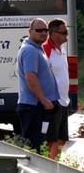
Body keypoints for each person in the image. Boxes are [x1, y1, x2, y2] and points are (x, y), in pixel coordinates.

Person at [17, 18, 60, 152]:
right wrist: (43, 100)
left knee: (40, 142)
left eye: (45, 30)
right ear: (30, 31)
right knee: (33, 145)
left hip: (39, 106)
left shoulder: (37, 48)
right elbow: (31, 78)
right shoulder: (30, 50)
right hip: (34, 107)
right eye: (39, 30)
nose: (43, 33)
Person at [43, 18, 70, 159]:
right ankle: (49, 166)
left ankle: (54, 164)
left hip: (64, 100)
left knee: (62, 139)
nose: (67, 35)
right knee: (52, 140)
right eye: (64, 32)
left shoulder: (63, 49)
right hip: (53, 101)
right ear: (53, 34)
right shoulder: (46, 49)